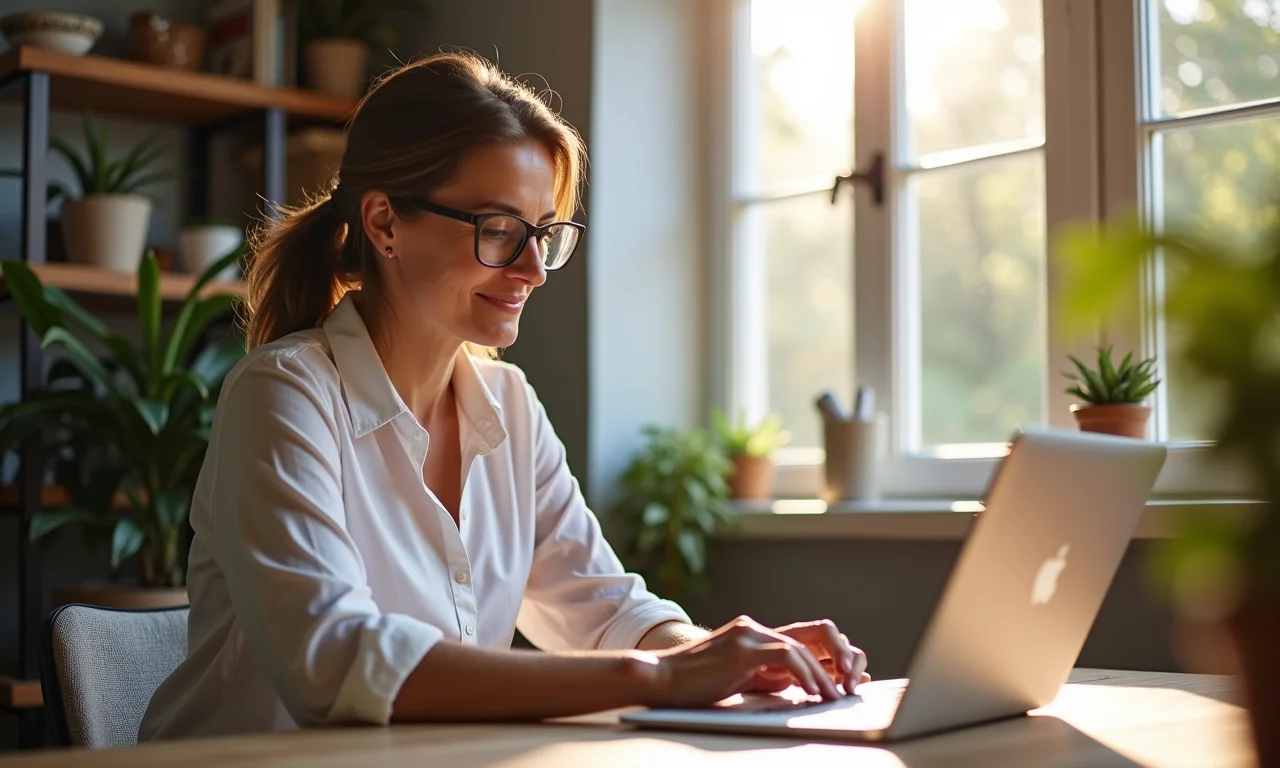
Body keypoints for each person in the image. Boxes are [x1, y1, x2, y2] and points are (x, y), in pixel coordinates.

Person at [138, 52, 868, 741]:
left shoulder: (508, 406)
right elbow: (336, 662)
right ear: (385, 223)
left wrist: (729, 654)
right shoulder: (283, 396)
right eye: (498, 230)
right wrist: (663, 675)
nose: (533, 269)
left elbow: (606, 607)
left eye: (544, 234)